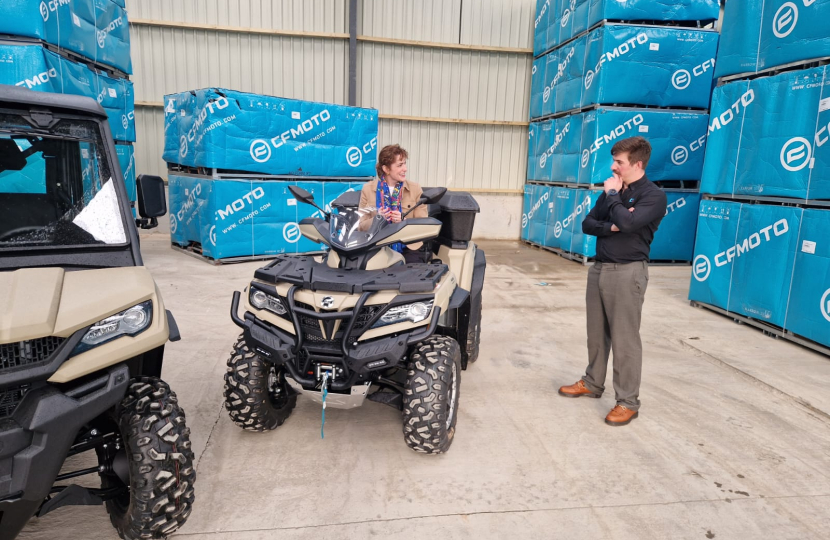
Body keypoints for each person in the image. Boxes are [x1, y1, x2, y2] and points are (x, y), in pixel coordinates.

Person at [558, 136, 667, 426]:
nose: (613, 167)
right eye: (614, 161)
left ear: (637, 164)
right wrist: (614, 223)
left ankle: (628, 402)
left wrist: (615, 200)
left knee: (625, 339)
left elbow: (631, 224)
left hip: (628, 271)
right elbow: (588, 224)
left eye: (619, 162)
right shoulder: (612, 192)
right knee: (596, 333)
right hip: (600, 269)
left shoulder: (653, 196)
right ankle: (593, 383)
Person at [359, 144, 428, 263]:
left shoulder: (415, 188)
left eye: (405, 164)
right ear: (386, 169)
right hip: (376, 246)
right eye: (400, 165)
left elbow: (423, 225)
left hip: (408, 246)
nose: (405, 169)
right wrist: (377, 219)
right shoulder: (368, 189)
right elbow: (360, 226)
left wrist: (403, 222)